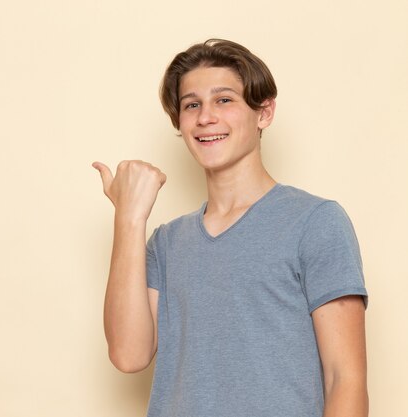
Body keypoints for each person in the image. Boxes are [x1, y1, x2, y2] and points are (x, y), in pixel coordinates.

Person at [92, 39, 368, 417]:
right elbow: (128, 355)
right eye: (192, 105)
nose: (205, 117)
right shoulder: (166, 243)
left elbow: (345, 379)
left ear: (264, 113)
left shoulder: (315, 222)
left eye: (224, 100)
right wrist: (128, 217)